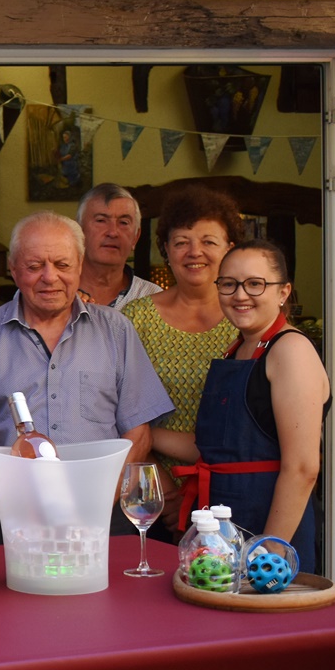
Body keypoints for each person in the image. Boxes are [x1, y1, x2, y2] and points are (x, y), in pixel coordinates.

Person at [0, 212, 172, 536]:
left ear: (80, 265)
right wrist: (18, 508)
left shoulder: (116, 330)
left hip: (106, 514)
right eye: (34, 266)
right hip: (14, 520)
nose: (50, 277)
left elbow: (138, 433)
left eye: (62, 265)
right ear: (12, 267)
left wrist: (98, 504)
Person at [155, 240, 328, 568]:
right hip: (224, 525)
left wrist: (268, 553)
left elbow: (303, 467)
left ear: (283, 292)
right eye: (229, 284)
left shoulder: (291, 351)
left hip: (270, 525)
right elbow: (218, 448)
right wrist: (138, 435)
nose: (240, 295)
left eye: (255, 284)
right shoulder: (237, 350)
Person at [120, 186, 242, 537]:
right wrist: (169, 493)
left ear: (230, 249)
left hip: (230, 492)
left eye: (208, 241)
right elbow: (118, 413)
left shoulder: (247, 318)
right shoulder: (136, 319)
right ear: (166, 251)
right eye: (181, 241)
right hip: (151, 495)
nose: (195, 252)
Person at [76, 183, 162, 309]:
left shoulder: (153, 298)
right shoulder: (55, 291)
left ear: (135, 237)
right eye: (101, 221)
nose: (113, 232)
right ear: (79, 231)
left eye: (123, 222)